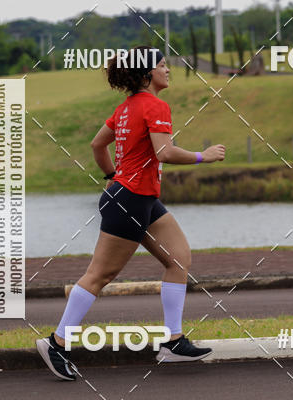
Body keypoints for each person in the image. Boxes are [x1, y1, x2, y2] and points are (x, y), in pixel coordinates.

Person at [36, 45, 226, 381]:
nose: (168, 70)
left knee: (178, 258)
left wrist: (112, 176)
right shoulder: (155, 105)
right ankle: (57, 343)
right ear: (148, 73)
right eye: (163, 65)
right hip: (132, 199)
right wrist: (203, 156)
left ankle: (173, 342)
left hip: (139, 198)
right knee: (99, 275)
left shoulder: (125, 108)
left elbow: (97, 145)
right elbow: (164, 152)